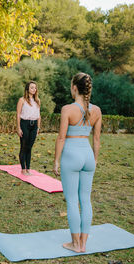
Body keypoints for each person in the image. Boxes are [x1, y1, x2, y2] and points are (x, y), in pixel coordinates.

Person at [53, 73, 102, 253]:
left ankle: (75, 244)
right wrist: (94, 160)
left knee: (72, 201)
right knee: (86, 200)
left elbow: (61, 138)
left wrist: (56, 161)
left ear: (74, 88)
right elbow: (96, 140)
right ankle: (83, 244)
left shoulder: (67, 109)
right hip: (88, 156)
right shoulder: (97, 110)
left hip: (71, 156)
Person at [16, 81, 41, 176]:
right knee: (24, 146)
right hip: (24, 124)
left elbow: (39, 115)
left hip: (34, 125)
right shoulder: (22, 100)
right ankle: (23, 169)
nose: (34, 89)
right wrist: (18, 127)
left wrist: (38, 127)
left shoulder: (37, 101)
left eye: (35, 88)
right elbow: (18, 114)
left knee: (30, 147)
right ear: (27, 89)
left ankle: (28, 168)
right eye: (32, 87)